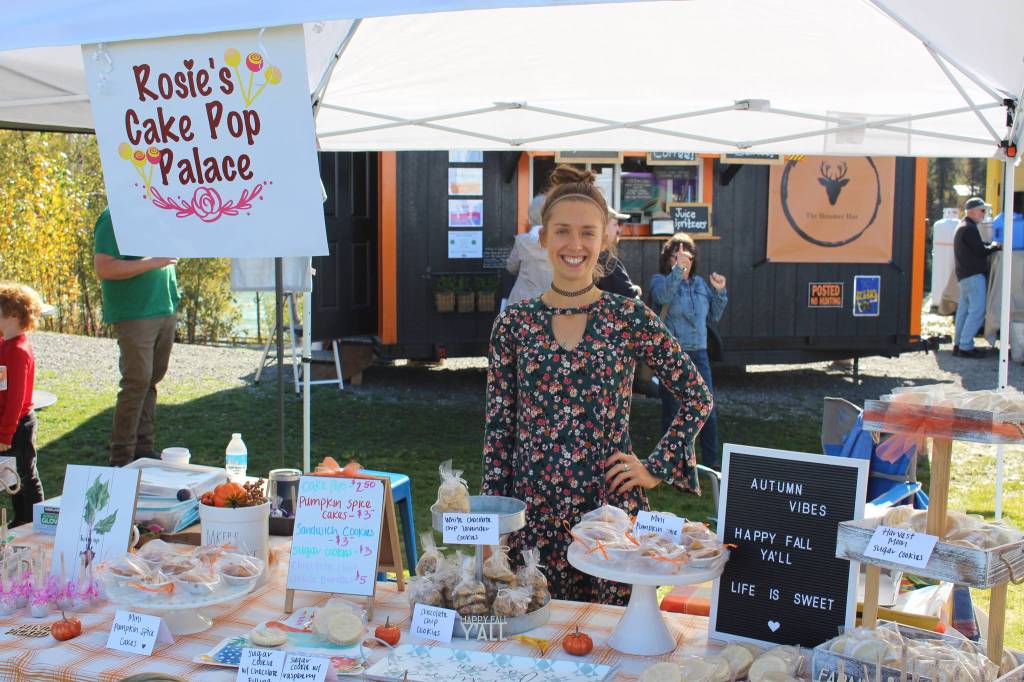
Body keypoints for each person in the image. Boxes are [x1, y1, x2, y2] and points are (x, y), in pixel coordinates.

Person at [481, 166, 713, 605]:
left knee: (610, 643)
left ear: (604, 239)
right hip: (533, 518)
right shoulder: (514, 324)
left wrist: (655, 468)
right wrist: (496, 524)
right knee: (538, 645)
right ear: (542, 238)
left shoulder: (628, 318)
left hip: (607, 516)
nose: (574, 245)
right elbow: (498, 434)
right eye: (562, 231)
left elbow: (696, 395)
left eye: (587, 233)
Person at [93, 208, 180, 466]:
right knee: (137, 380)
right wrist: (154, 261)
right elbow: (104, 267)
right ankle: (121, 457)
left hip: (164, 306)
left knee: (151, 379)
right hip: (135, 311)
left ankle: (144, 449)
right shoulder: (114, 216)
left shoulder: (160, 208)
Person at [650, 234, 727, 469]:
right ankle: (669, 463)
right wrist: (677, 270)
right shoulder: (659, 279)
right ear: (668, 259)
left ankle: (710, 463)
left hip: (699, 353)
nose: (684, 261)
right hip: (672, 353)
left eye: (687, 257)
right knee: (674, 411)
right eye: (677, 256)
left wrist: (720, 291)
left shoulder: (701, 284)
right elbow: (662, 296)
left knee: (707, 408)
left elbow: (716, 314)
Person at [0, 283, 46, 525]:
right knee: (11, 475)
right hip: (7, 421)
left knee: (25, 475)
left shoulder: (18, 350)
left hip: (18, 424)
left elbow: (16, 399)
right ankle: (21, 519)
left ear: (14, 315)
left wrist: (6, 433)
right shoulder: (5, 343)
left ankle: (35, 519)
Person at [953, 197, 1000, 358]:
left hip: (964, 277)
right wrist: (995, 246)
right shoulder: (970, 229)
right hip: (973, 277)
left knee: (964, 312)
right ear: (972, 211)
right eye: (982, 210)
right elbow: (981, 251)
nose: (983, 214)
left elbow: (977, 248)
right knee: (977, 311)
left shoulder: (962, 226)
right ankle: (965, 346)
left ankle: (958, 343)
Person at [506, 195, 553, 304]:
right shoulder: (561, 243)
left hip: (523, 302)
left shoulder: (522, 242)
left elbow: (511, 267)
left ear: (531, 214)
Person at [597, 203, 641, 298]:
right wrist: (634, 290)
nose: (619, 230)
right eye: (615, 224)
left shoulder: (592, 256)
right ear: (603, 227)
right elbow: (630, 298)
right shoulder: (605, 260)